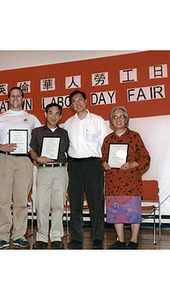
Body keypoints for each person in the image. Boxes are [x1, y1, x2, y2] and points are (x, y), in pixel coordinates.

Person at [0, 87, 41, 249]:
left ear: (23, 99)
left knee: (21, 201)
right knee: (3, 199)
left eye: (18, 96)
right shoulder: (0, 118)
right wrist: (0, 146)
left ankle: (19, 235)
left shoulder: (31, 119)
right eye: (12, 96)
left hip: (24, 161)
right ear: (8, 99)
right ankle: (2, 236)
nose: (15, 98)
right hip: (4, 160)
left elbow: (39, 138)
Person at [101, 106, 150, 249]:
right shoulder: (107, 139)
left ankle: (134, 240)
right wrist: (104, 164)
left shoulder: (135, 136)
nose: (118, 119)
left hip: (131, 181)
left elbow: (146, 157)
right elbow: (102, 159)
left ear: (126, 119)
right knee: (116, 212)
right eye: (115, 117)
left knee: (133, 211)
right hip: (113, 181)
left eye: (121, 116)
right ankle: (120, 240)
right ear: (111, 121)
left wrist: (132, 164)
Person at [64, 90, 107, 249]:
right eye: (74, 101)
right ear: (71, 105)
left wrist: (104, 162)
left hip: (93, 164)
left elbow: (104, 144)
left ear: (86, 101)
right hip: (74, 165)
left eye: (80, 99)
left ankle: (97, 238)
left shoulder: (97, 120)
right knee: (75, 202)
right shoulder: (68, 123)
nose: (78, 103)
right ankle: (76, 238)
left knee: (96, 203)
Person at [30, 103, 69, 249]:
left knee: (58, 204)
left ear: (60, 116)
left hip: (60, 171)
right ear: (45, 114)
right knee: (42, 205)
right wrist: (37, 158)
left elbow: (68, 152)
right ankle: (41, 237)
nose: (53, 116)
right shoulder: (37, 132)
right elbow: (32, 150)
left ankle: (56, 237)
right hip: (44, 171)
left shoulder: (64, 133)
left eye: (57, 113)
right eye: (50, 113)